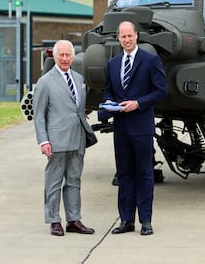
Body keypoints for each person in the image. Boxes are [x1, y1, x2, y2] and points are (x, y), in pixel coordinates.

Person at [103, 21, 168, 235]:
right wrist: (109, 103)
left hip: (141, 127)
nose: (127, 40)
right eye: (123, 37)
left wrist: (138, 103)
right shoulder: (112, 64)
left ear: (136, 36)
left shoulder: (150, 60)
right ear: (118, 38)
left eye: (130, 36)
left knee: (144, 173)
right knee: (124, 174)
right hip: (121, 128)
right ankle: (126, 220)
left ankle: (146, 221)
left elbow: (161, 91)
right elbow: (108, 92)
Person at [33, 39, 95, 236]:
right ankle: (53, 220)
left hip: (77, 139)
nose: (65, 58)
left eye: (68, 55)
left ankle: (74, 219)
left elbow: (76, 107)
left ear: (73, 56)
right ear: (54, 56)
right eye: (61, 55)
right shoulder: (45, 82)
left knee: (74, 181)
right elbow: (39, 115)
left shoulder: (78, 78)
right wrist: (43, 141)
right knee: (53, 181)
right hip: (56, 141)